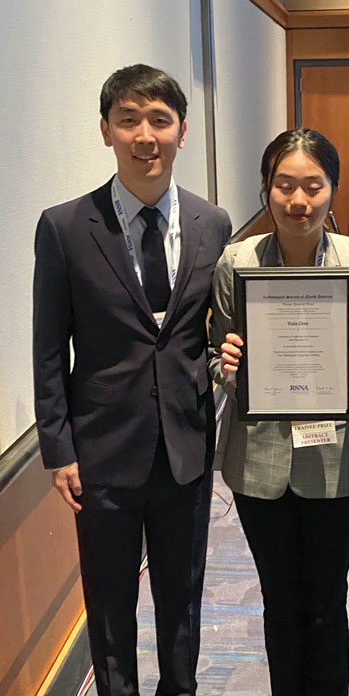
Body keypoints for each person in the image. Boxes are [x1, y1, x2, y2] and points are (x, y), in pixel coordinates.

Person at [33, 64, 231, 696]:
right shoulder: (65, 228)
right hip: (102, 453)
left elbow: (214, 331)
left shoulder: (213, 224)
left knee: (184, 600)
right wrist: (59, 449)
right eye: (128, 120)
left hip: (186, 451)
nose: (145, 135)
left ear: (180, 133)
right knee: (110, 607)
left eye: (160, 121)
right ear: (105, 130)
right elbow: (46, 350)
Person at [208, 128, 349, 696]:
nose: (298, 201)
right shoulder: (235, 263)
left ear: (332, 190)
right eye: (284, 185)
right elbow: (215, 352)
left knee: (326, 600)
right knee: (279, 600)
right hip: (258, 464)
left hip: (335, 462)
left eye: (313, 186)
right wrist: (227, 363)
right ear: (265, 190)